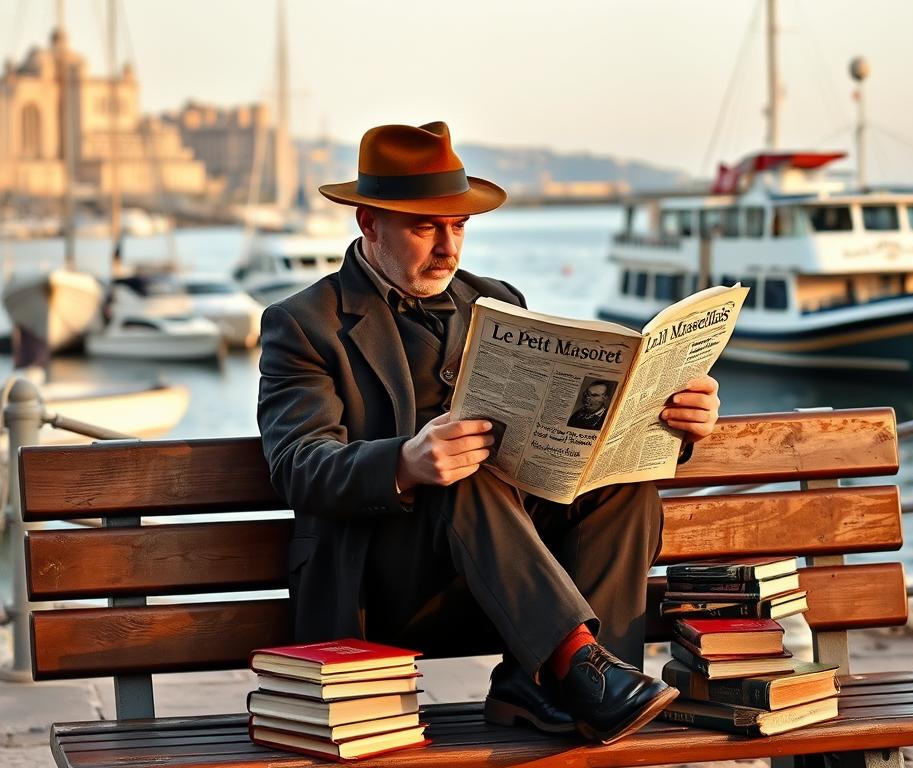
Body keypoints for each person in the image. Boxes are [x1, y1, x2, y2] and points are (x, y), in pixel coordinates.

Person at [257, 122, 721, 745]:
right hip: (386, 587)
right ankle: (577, 673)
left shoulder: (498, 300)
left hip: (507, 581)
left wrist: (672, 423)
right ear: (368, 222)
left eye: (458, 226)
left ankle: (569, 685)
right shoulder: (302, 323)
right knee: (460, 475)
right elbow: (297, 465)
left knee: (623, 487)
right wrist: (406, 462)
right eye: (426, 228)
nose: (449, 247)